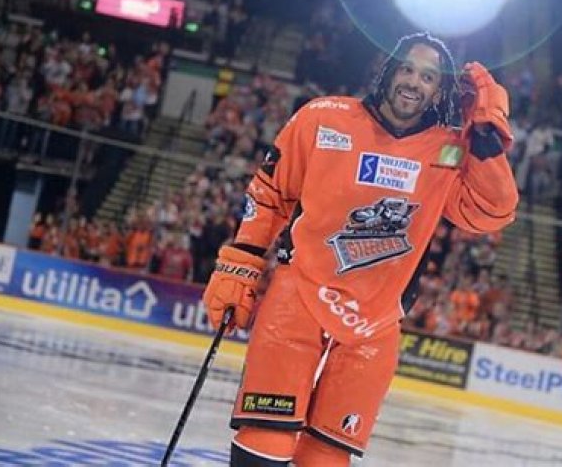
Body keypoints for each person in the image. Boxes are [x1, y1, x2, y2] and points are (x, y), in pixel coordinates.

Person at [202, 32, 518, 466]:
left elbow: (493, 213)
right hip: (299, 296)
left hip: (377, 322)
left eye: (428, 77)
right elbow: (271, 193)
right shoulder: (323, 118)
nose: (414, 82)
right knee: (267, 435)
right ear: (388, 71)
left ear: (439, 91)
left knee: (327, 455)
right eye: (407, 69)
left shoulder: (449, 150)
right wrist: (240, 263)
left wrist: (485, 140)